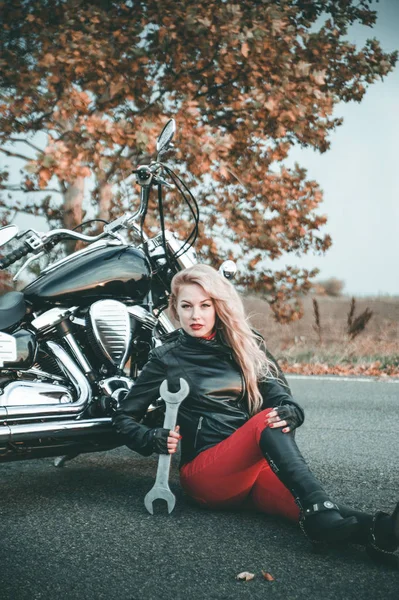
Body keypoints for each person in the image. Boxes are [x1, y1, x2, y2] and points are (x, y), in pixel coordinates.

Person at [113, 264, 399, 565]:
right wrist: (151, 437)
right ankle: (324, 521)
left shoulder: (246, 344)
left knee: (311, 504)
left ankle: (381, 532)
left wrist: (292, 411)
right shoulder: (167, 357)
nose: (195, 315)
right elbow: (123, 419)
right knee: (267, 422)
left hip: (250, 471)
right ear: (175, 309)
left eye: (204, 306)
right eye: (186, 306)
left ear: (218, 307)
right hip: (207, 475)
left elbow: (277, 392)